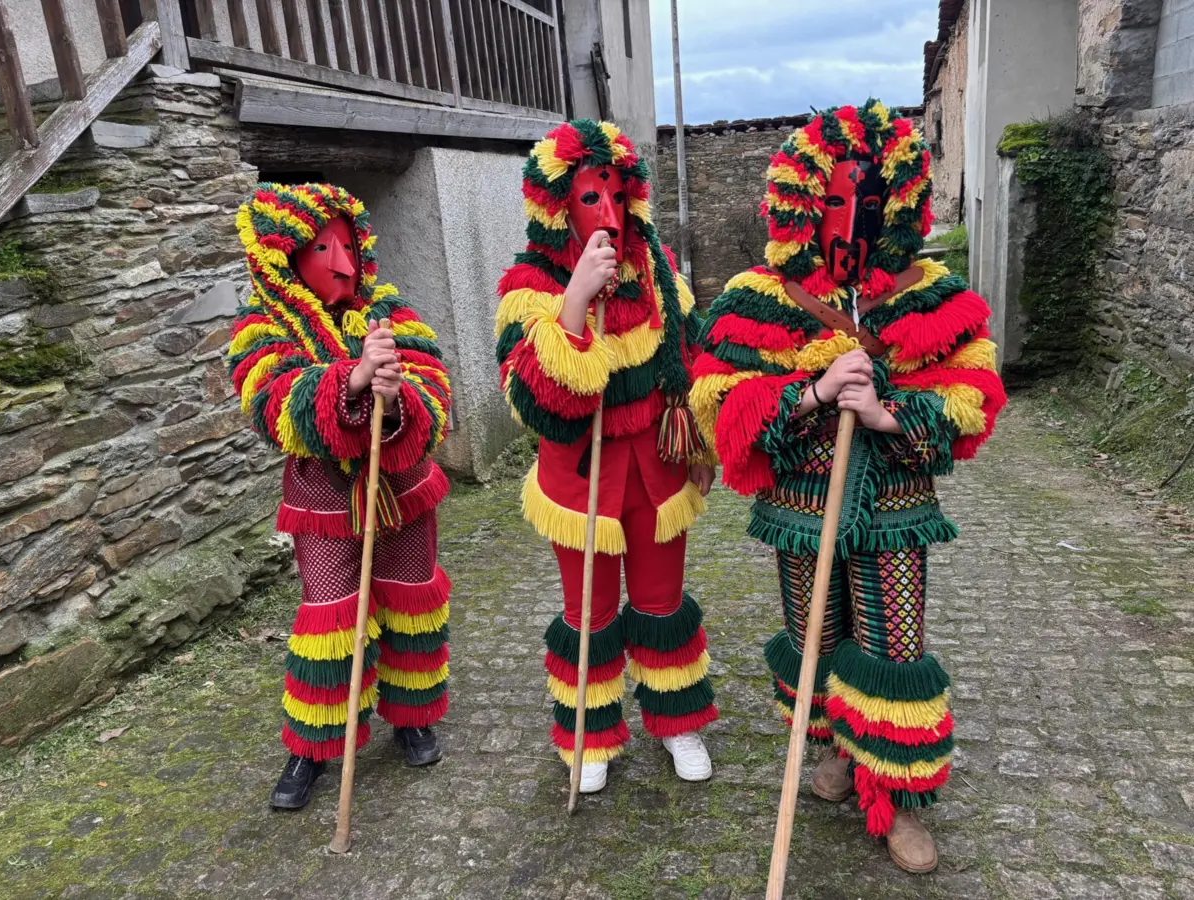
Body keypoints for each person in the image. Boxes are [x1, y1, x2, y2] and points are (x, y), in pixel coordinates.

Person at [691, 101, 1006, 873]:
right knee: (814, 642)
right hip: (801, 514)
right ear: (801, 202)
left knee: (894, 649)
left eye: (868, 197)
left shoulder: (931, 293)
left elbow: (974, 395)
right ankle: (836, 752)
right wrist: (814, 393)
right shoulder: (758, 295)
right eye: (833, 198)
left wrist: (887, 412)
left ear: (897, 201)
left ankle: (890, 794)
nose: (851, 214)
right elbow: (716, 406)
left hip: (896, 515)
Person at [495, 120, 718, 793]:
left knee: (660, 600)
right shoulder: (528, 283)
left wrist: (700, 441)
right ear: (559, 204)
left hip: (657, 470)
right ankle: (589, 733)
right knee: (587, 610)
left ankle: (675, 720)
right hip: (580, 478)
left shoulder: (657, 270)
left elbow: (691, 359)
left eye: (618, 197)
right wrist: (574, 305)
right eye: (593, 198)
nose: (610, 215)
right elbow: (532, 402)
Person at [228, 182, 452, 809]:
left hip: (402, 493)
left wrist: (396, 392)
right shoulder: (260, 328)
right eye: (322, 247)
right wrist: (348, 382)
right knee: (330, 619)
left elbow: (435, 386)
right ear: (284, 256)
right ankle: (316, 746)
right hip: (325, 503)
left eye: (347, 245)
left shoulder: (390, 313)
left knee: (410, 600)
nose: (343, 263)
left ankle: (412, 716)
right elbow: (271, 405)